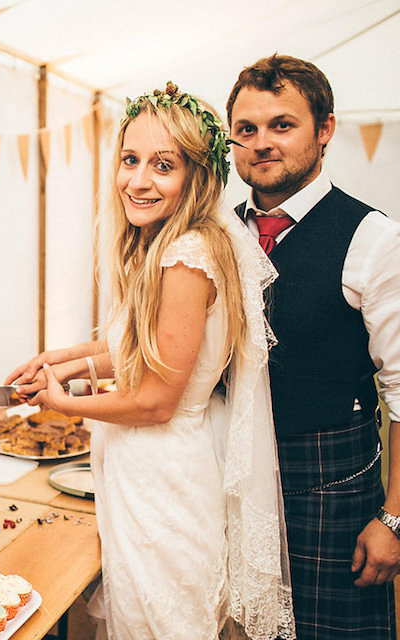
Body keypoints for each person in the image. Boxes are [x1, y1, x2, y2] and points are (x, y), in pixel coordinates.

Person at [6, 82, 295, 639]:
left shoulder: (188, 255)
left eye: (163, 166)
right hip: (147, 472)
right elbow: (146, 349)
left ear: (197, 176)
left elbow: (158, 400)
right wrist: (61, 360)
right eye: (130, 160)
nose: (138, 181)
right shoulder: (172, 241)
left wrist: (61, 401)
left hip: (165, 480)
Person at [226, 54, 400, 639]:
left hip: (331, 492)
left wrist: (395, 519)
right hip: (231, 488)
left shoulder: (375, 241)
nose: (262, 143)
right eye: (246, 130)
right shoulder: (217, 234)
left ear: (325, 130)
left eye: (282, 124)